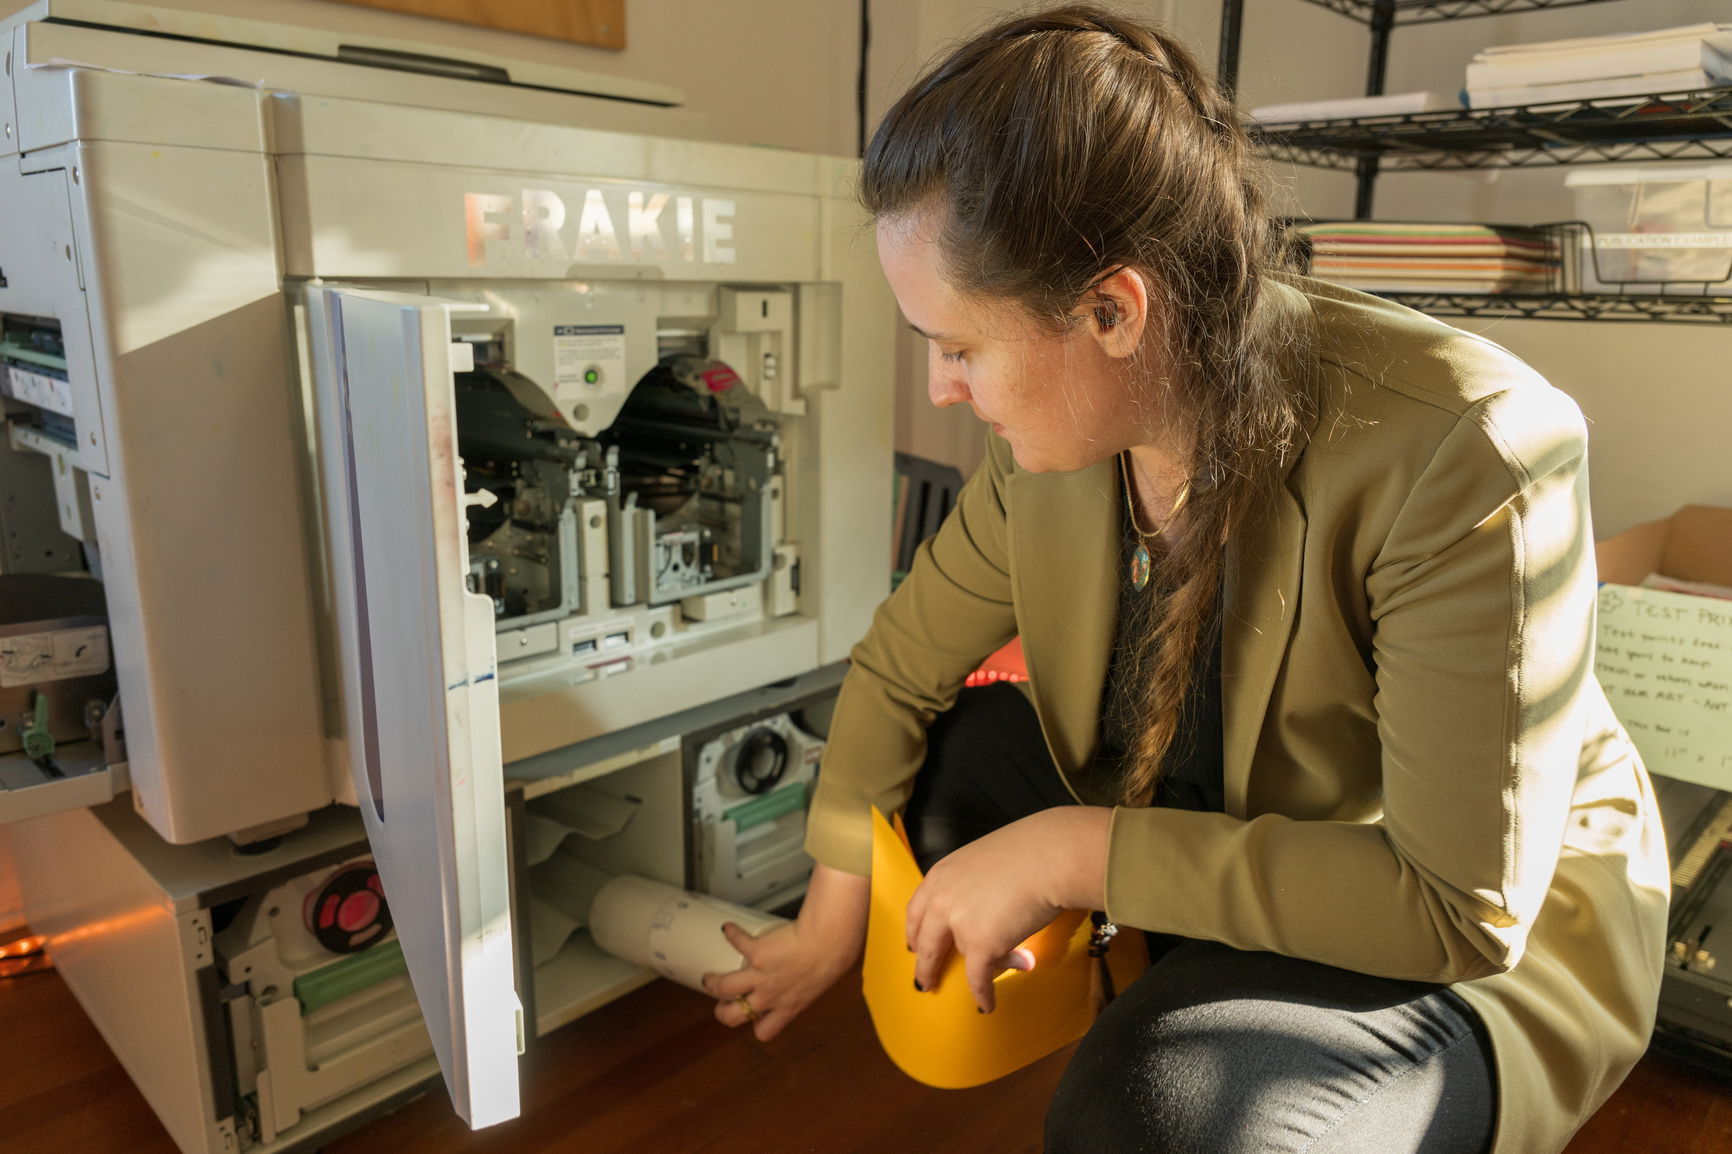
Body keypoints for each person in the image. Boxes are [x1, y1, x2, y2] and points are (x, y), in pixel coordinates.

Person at [700, 7, 1669, 1152]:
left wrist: (1069, 850)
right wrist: (825, 923)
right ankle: (1177, 968)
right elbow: (900, 663)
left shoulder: (1472, 450)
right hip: (1237, 815)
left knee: (1150, 1113)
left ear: (1113, 309)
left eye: (959, 346)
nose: (943, 388)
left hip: (1452, 899)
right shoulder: (1055, 445)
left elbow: (1453, 903)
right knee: (941, 786)